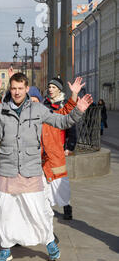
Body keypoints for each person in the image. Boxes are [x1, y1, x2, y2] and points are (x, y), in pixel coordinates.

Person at [0, 70, 93, 261]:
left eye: (20, 88)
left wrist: (79, 109)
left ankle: (50, 243)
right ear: (10, 89)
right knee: (4, 212)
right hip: (8, 171)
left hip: (31, 170)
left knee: (38, 211)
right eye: (13, 88)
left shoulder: (38, 109)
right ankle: (5, 248)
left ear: (26, 89)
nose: (16, 92)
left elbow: (63, 121)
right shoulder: (2, 109)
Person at [42, 77, 86, 220]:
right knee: (47, 181)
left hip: (58, 147)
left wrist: (69, 146)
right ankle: (46, 208)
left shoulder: (63, 105)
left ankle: (67, 205)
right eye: (49, 87)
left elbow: (71, 125)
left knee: (61, 180)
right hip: (45, 149)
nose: (50, 90)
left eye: (53, 87)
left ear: (59, 90)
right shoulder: (45, 104)